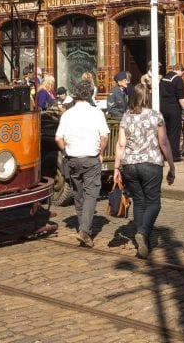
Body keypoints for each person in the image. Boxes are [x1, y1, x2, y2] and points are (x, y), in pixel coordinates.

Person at [112, 80, 176, 258]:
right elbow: (163, 142)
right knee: (154, 202)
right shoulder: (156, 116)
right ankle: (143, 232)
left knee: (139, 201)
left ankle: (142, 242)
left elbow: (121, 144)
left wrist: (117, 167)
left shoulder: (126, 116)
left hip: (130, 165)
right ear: (148, 97)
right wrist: (171, 165)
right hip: (151, 163)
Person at [54, 79, 110, 247]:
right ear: (90, 94)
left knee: (78, 194)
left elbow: (58, 138)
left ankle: (82, 226)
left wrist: (65, 151)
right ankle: (85, 230)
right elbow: (105, 136)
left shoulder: (67, 114)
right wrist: (101, 152)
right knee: (91, 193)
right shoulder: (96, 112)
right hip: (91, 158)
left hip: (73, 159)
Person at [159, 63, 184, 163]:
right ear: (180, 70)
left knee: (164, 132)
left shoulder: (163, 79)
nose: (182, 75)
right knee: (174, 133)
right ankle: (174, 156)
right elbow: (181, 98)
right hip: (173, 109)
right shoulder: (178, 79)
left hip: (162, 108)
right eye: (183, 73)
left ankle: (164, 154)